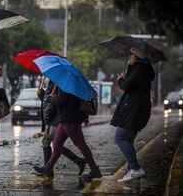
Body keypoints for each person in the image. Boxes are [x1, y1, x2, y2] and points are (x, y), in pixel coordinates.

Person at [33, 87, 102, 182]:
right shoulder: (68, 85)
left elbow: (61, 101)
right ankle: (48, 167)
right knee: (57, 143)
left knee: (81, 145)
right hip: (64, 119)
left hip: (71, 119)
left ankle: (94, 169)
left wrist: (49, 98)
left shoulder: (66, 87)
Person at [111, 47, 155, 182]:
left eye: (130, 54)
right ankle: (132, 170)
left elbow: (127, 86)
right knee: (127, 139)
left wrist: (121, 78)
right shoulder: (142, 68)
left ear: (136, 55)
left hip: (135, 109)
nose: (128, 57)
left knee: (120, 137)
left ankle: (135, 168)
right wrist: (129, 69)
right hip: (137, 108)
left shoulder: (139, 68)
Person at [35, 80, 86, 176]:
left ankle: (48, 169)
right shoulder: (52, 84)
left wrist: (46, 98)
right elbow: (48, 101)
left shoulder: (59, 84)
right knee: (55, 143)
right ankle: (77, 161)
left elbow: (56, 102)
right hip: (55, 119)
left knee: (52, 142)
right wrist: (42, 95)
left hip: (57, 119)